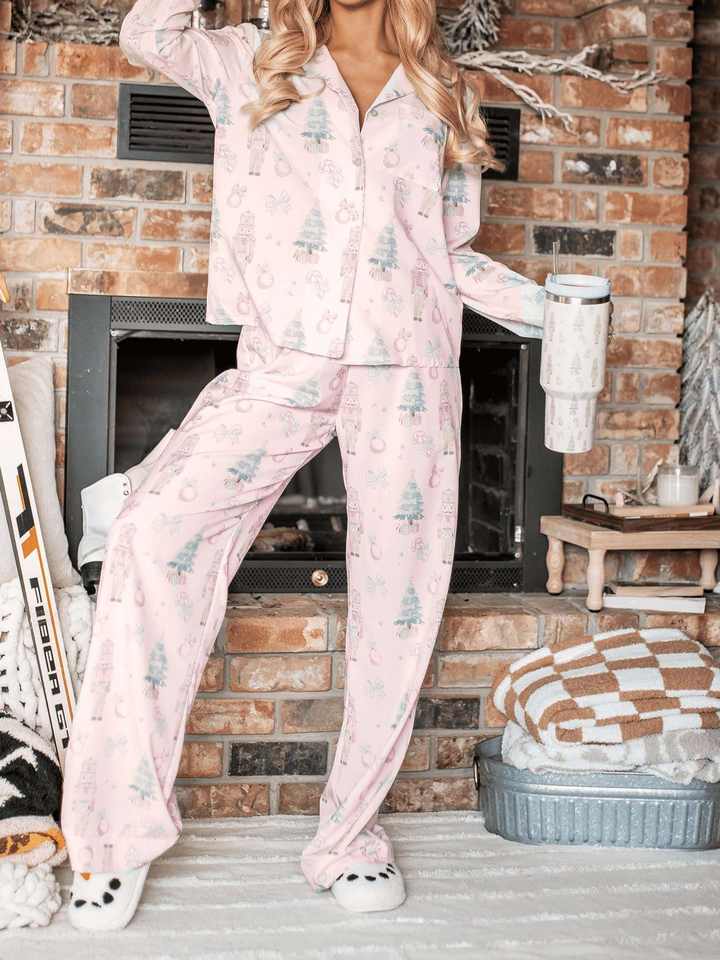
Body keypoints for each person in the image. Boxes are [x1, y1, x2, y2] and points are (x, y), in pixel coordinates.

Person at [61, 0, 545, 930]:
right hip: (282, 366)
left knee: (399, 602)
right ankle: (114, 838)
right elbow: (146, 33)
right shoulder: (250, 59)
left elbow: (448, 252)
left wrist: (557, 309)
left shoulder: (442, 89)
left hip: (406, 371)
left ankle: (348, 836)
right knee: (152, 535)